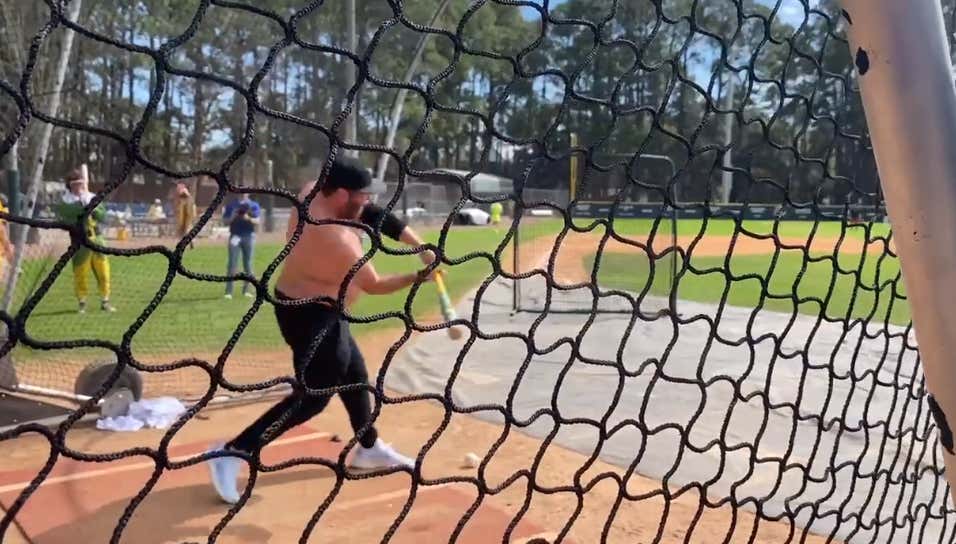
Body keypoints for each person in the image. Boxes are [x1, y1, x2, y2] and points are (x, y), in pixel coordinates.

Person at [206, 158, 437, 504]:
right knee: (315, 396)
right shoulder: (335, 237)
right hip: (308, 315)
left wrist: (421, 247)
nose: (365, 201)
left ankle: (368, 447)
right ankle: (233, 451)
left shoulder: (315, 194)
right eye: (359, 195)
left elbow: (372, 213)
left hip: (325, 310)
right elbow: (373, 285)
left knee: (355, 375)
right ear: (342, 194)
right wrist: (421, 276)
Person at [54, 167, 115, 313]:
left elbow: (103, 217)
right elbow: (66, 217)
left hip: (98, 241)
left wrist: (93, 207)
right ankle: (82, 302)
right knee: (81, 274)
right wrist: (82, 207)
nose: (78, 186)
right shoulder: (65, 202)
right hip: (80, 243)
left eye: (80, 183)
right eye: (75, 183)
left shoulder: (92, 197)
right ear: (69, 185)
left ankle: (105, 301)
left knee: (104, 273)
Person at [222, 192, 261, 299]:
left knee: (248, 264)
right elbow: (225, 221)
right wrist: (233, 216)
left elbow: (258, 221)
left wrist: (248, 218)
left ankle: (246, 290)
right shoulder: (231, 205)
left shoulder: (253, 205)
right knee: (232, 264)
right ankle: (228, 292)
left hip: (248, 236)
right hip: (235, 236)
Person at [174, 183, 197, 249]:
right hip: (188, 209)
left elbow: (184, 198)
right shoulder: (185, 193)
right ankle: (188, 241)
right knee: (186, 228)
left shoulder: (183, 190)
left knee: (185, 228)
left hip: (187, 209)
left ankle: (185, 242)